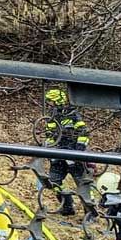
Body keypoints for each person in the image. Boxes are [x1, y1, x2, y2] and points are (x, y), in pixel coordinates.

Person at [42, 87, 90, 215]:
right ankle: (67, 206)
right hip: (58, 156)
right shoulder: (52, 118)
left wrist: (79, 150)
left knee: (82, 183)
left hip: (73, 155)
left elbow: (84, 132)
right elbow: (50, 136)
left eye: (51, 102)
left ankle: (89, 211)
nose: (49, 105)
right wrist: (49, 150)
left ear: (57, 101)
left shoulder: (73, 115)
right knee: (54, 181)